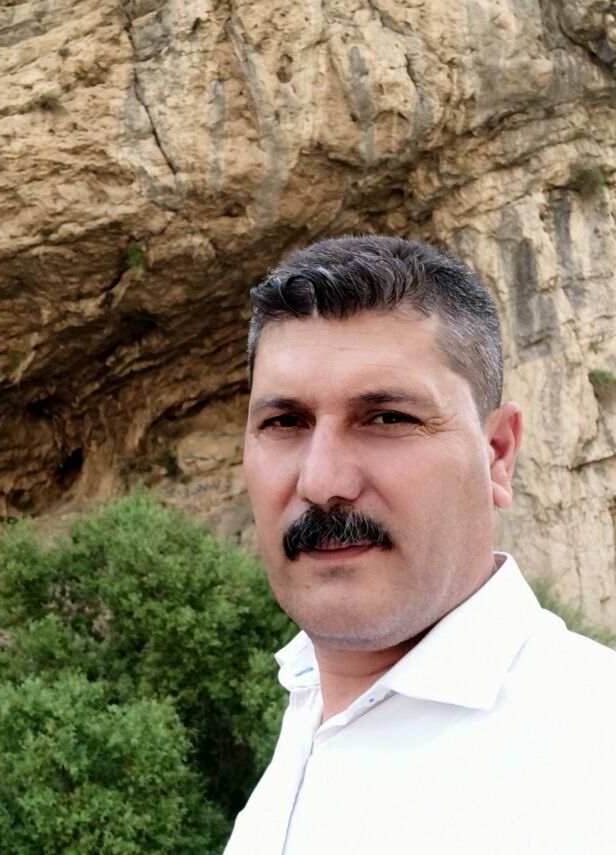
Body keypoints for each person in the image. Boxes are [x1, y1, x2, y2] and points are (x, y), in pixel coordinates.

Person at [224, 235, 616, 855]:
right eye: (285, 422)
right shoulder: (305, 706)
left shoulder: (594, 756)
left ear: (497, 454)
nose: (322, 482)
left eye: (388, 419)